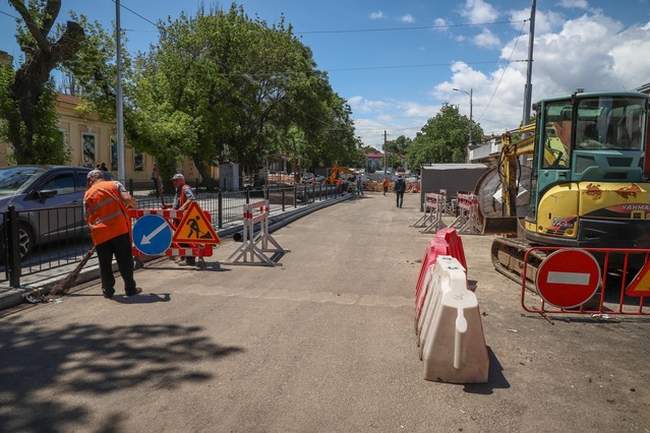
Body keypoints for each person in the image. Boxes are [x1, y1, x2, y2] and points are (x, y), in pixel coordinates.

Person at [84, 169, 141, 299]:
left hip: (100, 233)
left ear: (90, 180)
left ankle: (108, 291)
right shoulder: (115, 184)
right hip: (119, 229)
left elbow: (86, 216)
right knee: (125, 261)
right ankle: (130, 289)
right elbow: (127, 199)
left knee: (105, 263)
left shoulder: (87, 194)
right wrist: (132, 204)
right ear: (102, 177)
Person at [171, 173, 196, 265]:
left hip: (184, 218)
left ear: (182, 180)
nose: (174, 182)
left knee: (184, 239)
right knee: (179, 238)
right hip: (178, 218)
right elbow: (178, 202)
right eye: (173, 181)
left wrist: (182, 208)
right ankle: (183, 256)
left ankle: (190, 259)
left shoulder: (185, 188)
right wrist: (168, 206)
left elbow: (191, 199)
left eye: (176, 180)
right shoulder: (178, 190)